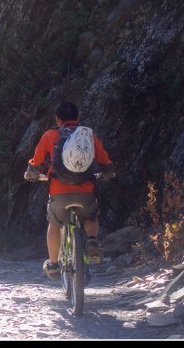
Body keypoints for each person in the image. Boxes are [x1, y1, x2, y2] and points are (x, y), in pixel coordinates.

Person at [24, 101, 113, 279]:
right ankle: (93, 241)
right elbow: (105, 162)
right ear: (77, 117)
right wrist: (108, 173)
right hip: (85, 190)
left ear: (57, 119)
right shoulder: (88, 135)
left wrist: (31, 173)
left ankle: (54, 264)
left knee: (55, 224)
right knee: (91, 215)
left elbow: (37, 162)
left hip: (59, 192)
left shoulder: (49, 135)